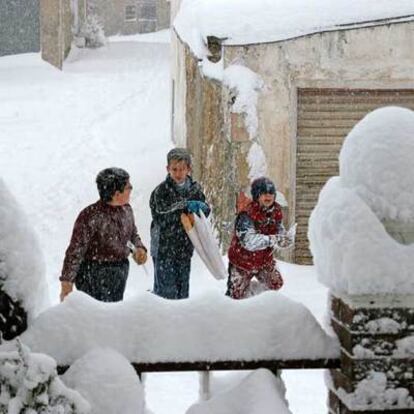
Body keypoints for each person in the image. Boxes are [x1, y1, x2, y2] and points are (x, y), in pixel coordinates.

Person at [59, 168, 147, 302]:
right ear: (117, 194)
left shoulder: (126, 209)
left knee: (113, 313)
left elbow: (132, 233)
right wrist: (67, 283)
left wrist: (138, 248)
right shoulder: (90, 216)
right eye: (128, 186)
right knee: (96, 316)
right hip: (93, 273)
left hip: (119, 271)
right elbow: (75, 250)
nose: (131, 188)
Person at [150, 148, 210, 299]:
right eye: (174, 169)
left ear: (188, 169)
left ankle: (181, 319)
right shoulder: (161, 191)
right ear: (168, 169)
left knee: (182, 289)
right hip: (164, 247)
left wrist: (202, 208)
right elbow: (161, 217)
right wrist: (183, 206)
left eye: (182, 169)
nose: (178, 173)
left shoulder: (195, 189)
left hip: (184, 247)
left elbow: (204, 212)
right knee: (165, 291)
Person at [227, 177, 288, 299]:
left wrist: (284, 239)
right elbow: (249, 241)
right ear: (257, 196)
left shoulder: (275, 212)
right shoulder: (246, 214)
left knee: (276, 283)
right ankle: (246, 299)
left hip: (264, 261)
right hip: (242, 262)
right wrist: (272, 239)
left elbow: (280, 231)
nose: (268, 196)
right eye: (264, 193)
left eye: (271, 193)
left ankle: (259, 300)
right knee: (235, 296)